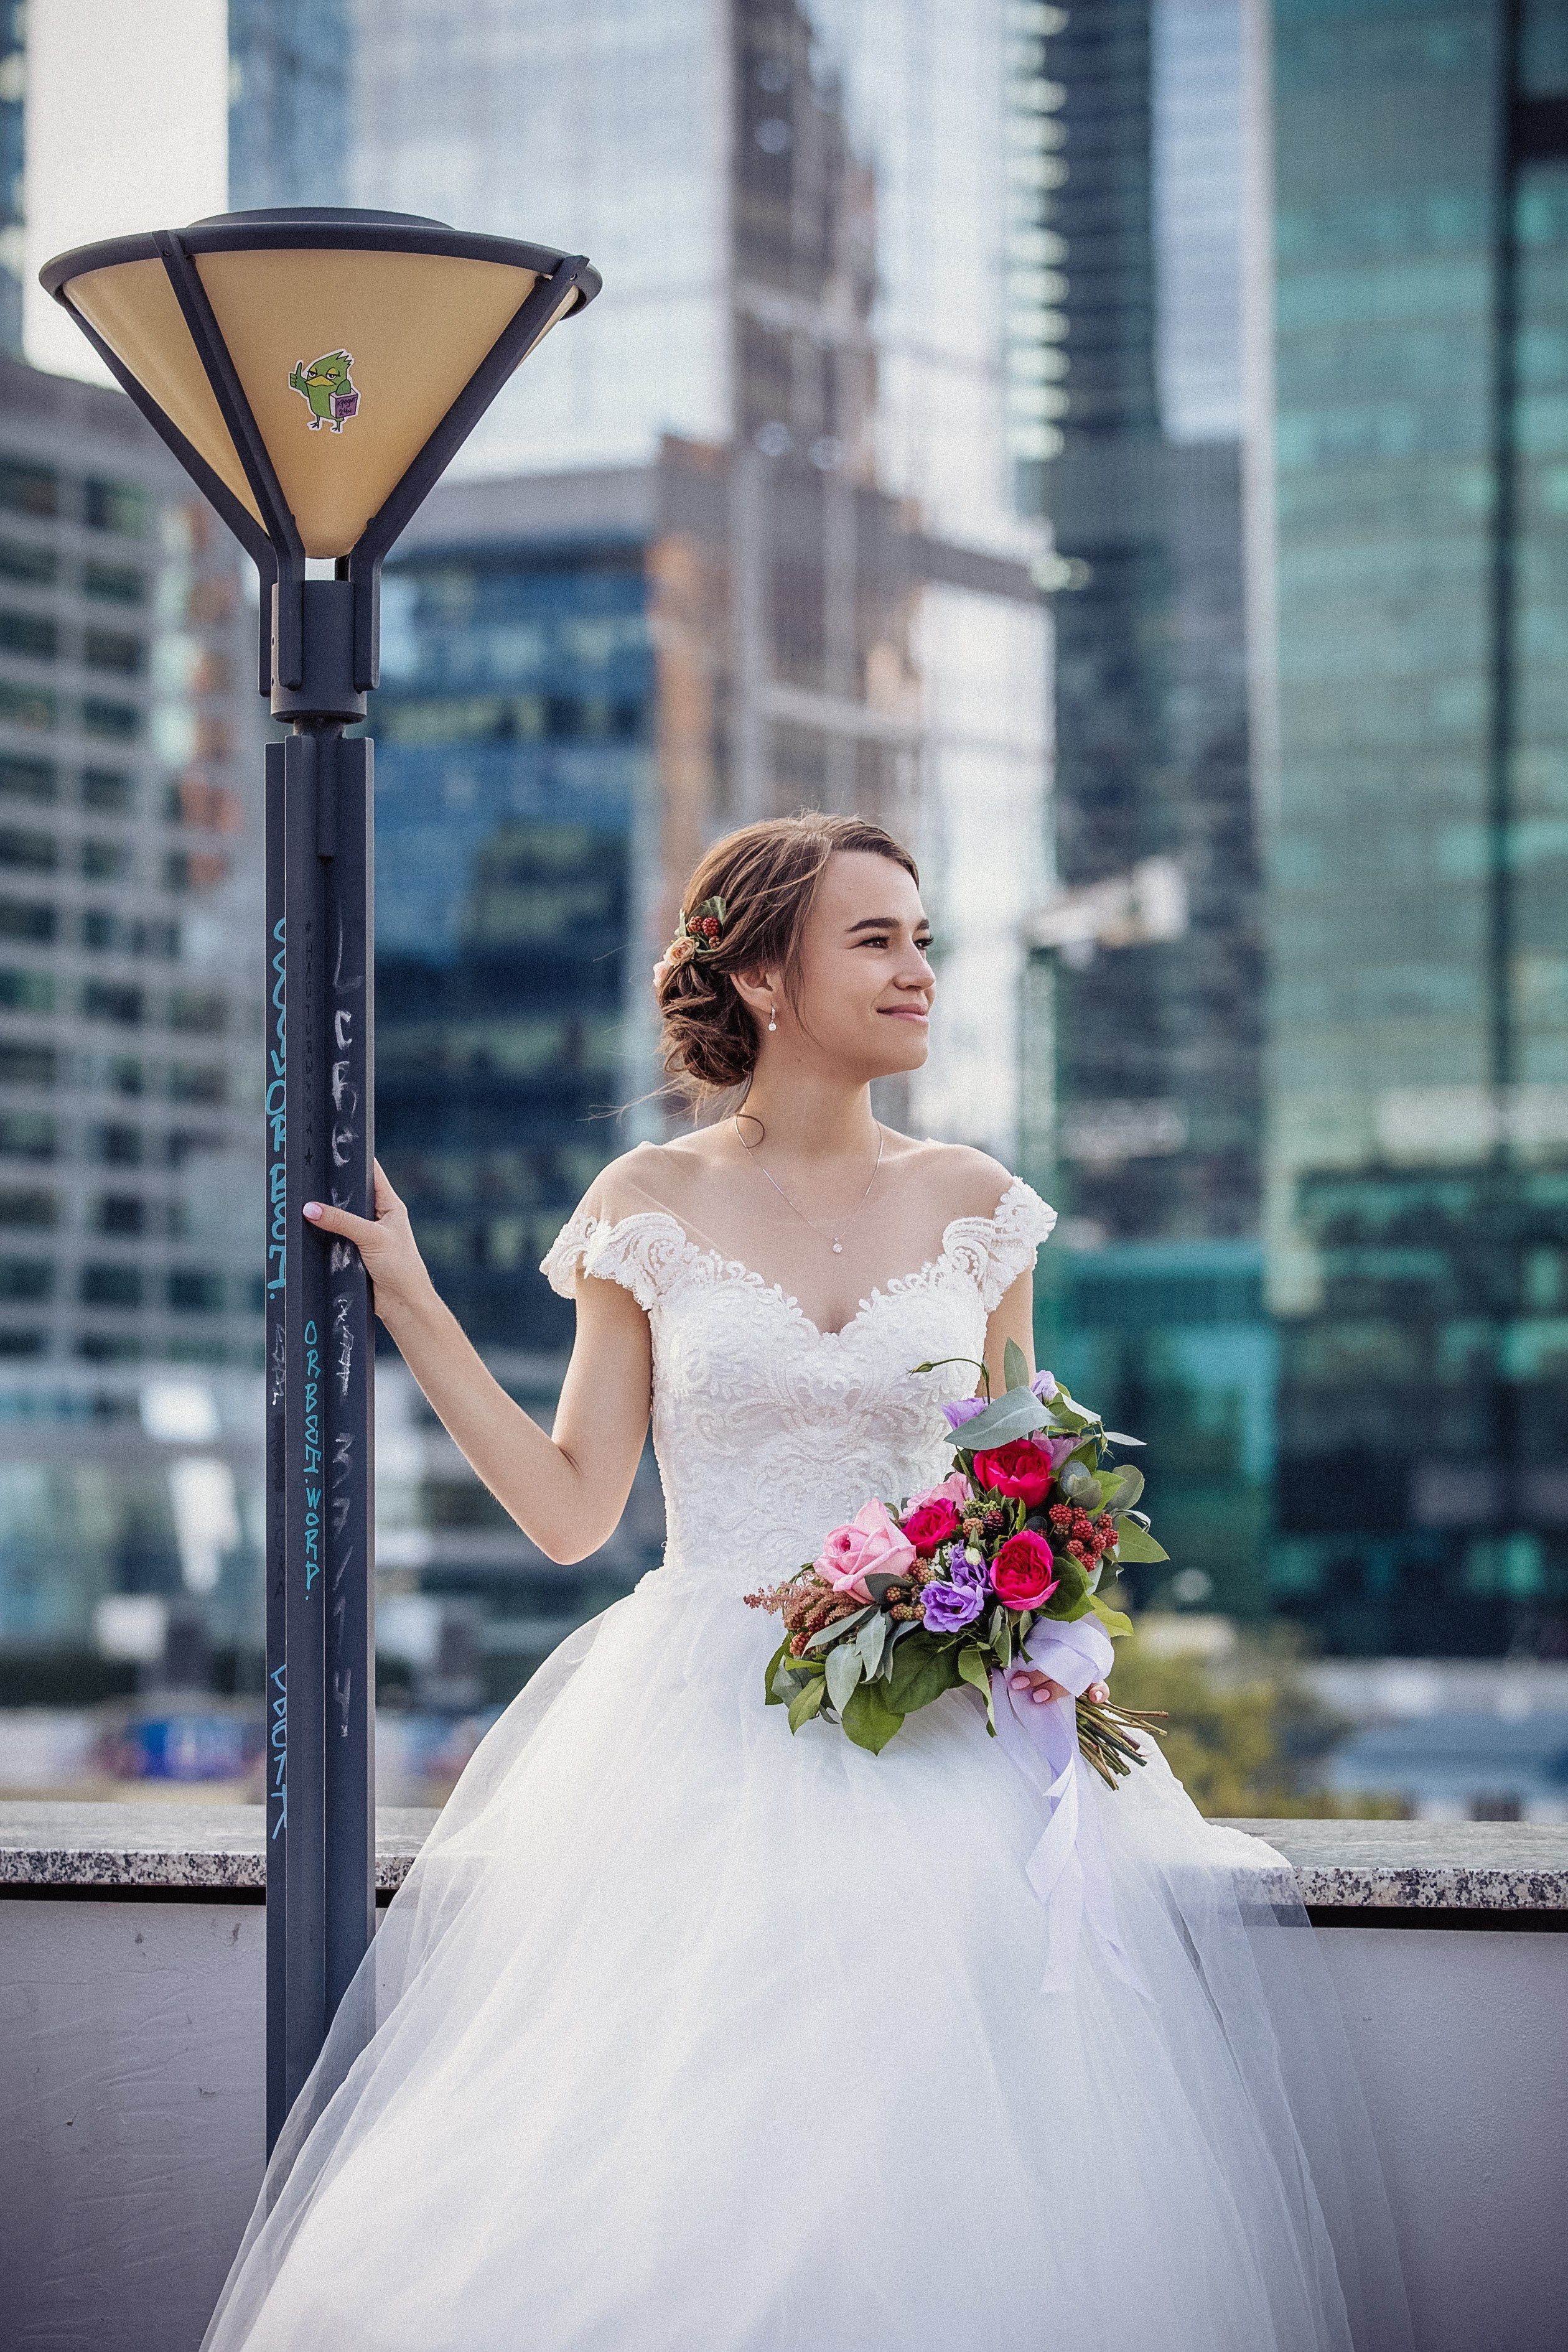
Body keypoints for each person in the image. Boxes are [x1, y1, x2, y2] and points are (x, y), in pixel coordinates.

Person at [204, 813, 1411, 2351]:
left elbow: (1021, 1482)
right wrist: (416, 1301)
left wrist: (1028, 1601)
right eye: (877, 940)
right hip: (705, 1722)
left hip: (944, 1732)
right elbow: (577, 1511)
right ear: (767, 977)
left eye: (923, 940)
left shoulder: (982, 1204)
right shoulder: (646, 1202)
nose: (919, 970)